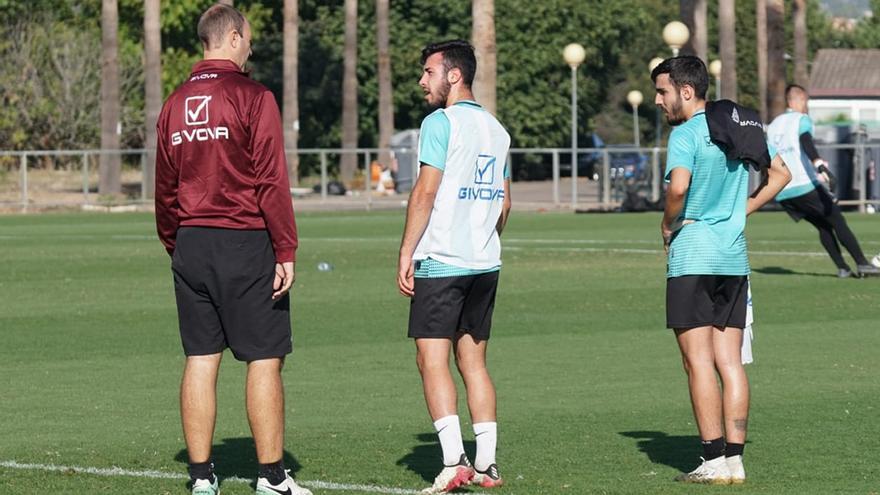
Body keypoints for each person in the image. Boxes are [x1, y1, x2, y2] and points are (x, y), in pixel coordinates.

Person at [154, 5, 310, 495]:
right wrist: (285, 247)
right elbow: (270, 179)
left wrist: (176, 243)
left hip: (191, 243)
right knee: (264, 358)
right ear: (235, 37)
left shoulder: (174, 102)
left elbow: (163, 188)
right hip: (245, 240)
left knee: (201, 358)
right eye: (249, 40)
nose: (251, 48)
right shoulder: (253, 95)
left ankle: (202, 479)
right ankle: (272, 479)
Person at [652, 56, 791, 485]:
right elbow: (780, 175)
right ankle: (734, 460)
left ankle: (712, 459)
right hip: (733, 259)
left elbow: (678, 187)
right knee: (729, 362)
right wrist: (740, 211)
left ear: (685, 91)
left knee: (697, 363)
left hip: (693, 256)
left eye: (662, 92)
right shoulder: (733, 129)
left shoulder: (686, 134)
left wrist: (666, 223)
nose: (659, 101)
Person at [397, 39, 511, 494]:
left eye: (428, 72)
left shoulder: (440, 122)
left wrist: (406, 251)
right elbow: (505, 202)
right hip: (485, 262)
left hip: (443, 259)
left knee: (431, 358)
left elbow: (425, 191)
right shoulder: (497, 129)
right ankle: (486, 465)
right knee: (474, 362)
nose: (423, 81)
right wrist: (484, 238)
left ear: (454, 75)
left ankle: (453, 462)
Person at [766, 84, 879, 278]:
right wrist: (820, 166)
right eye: (805, 101)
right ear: (798, 100)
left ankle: (843, 268)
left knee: (823, 225)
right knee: (837, 220)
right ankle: (862, 264)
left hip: (783, 190)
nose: (806, 106)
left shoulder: (774, 124)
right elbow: (806, 141)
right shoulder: (801, 120)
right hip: (803, 184)